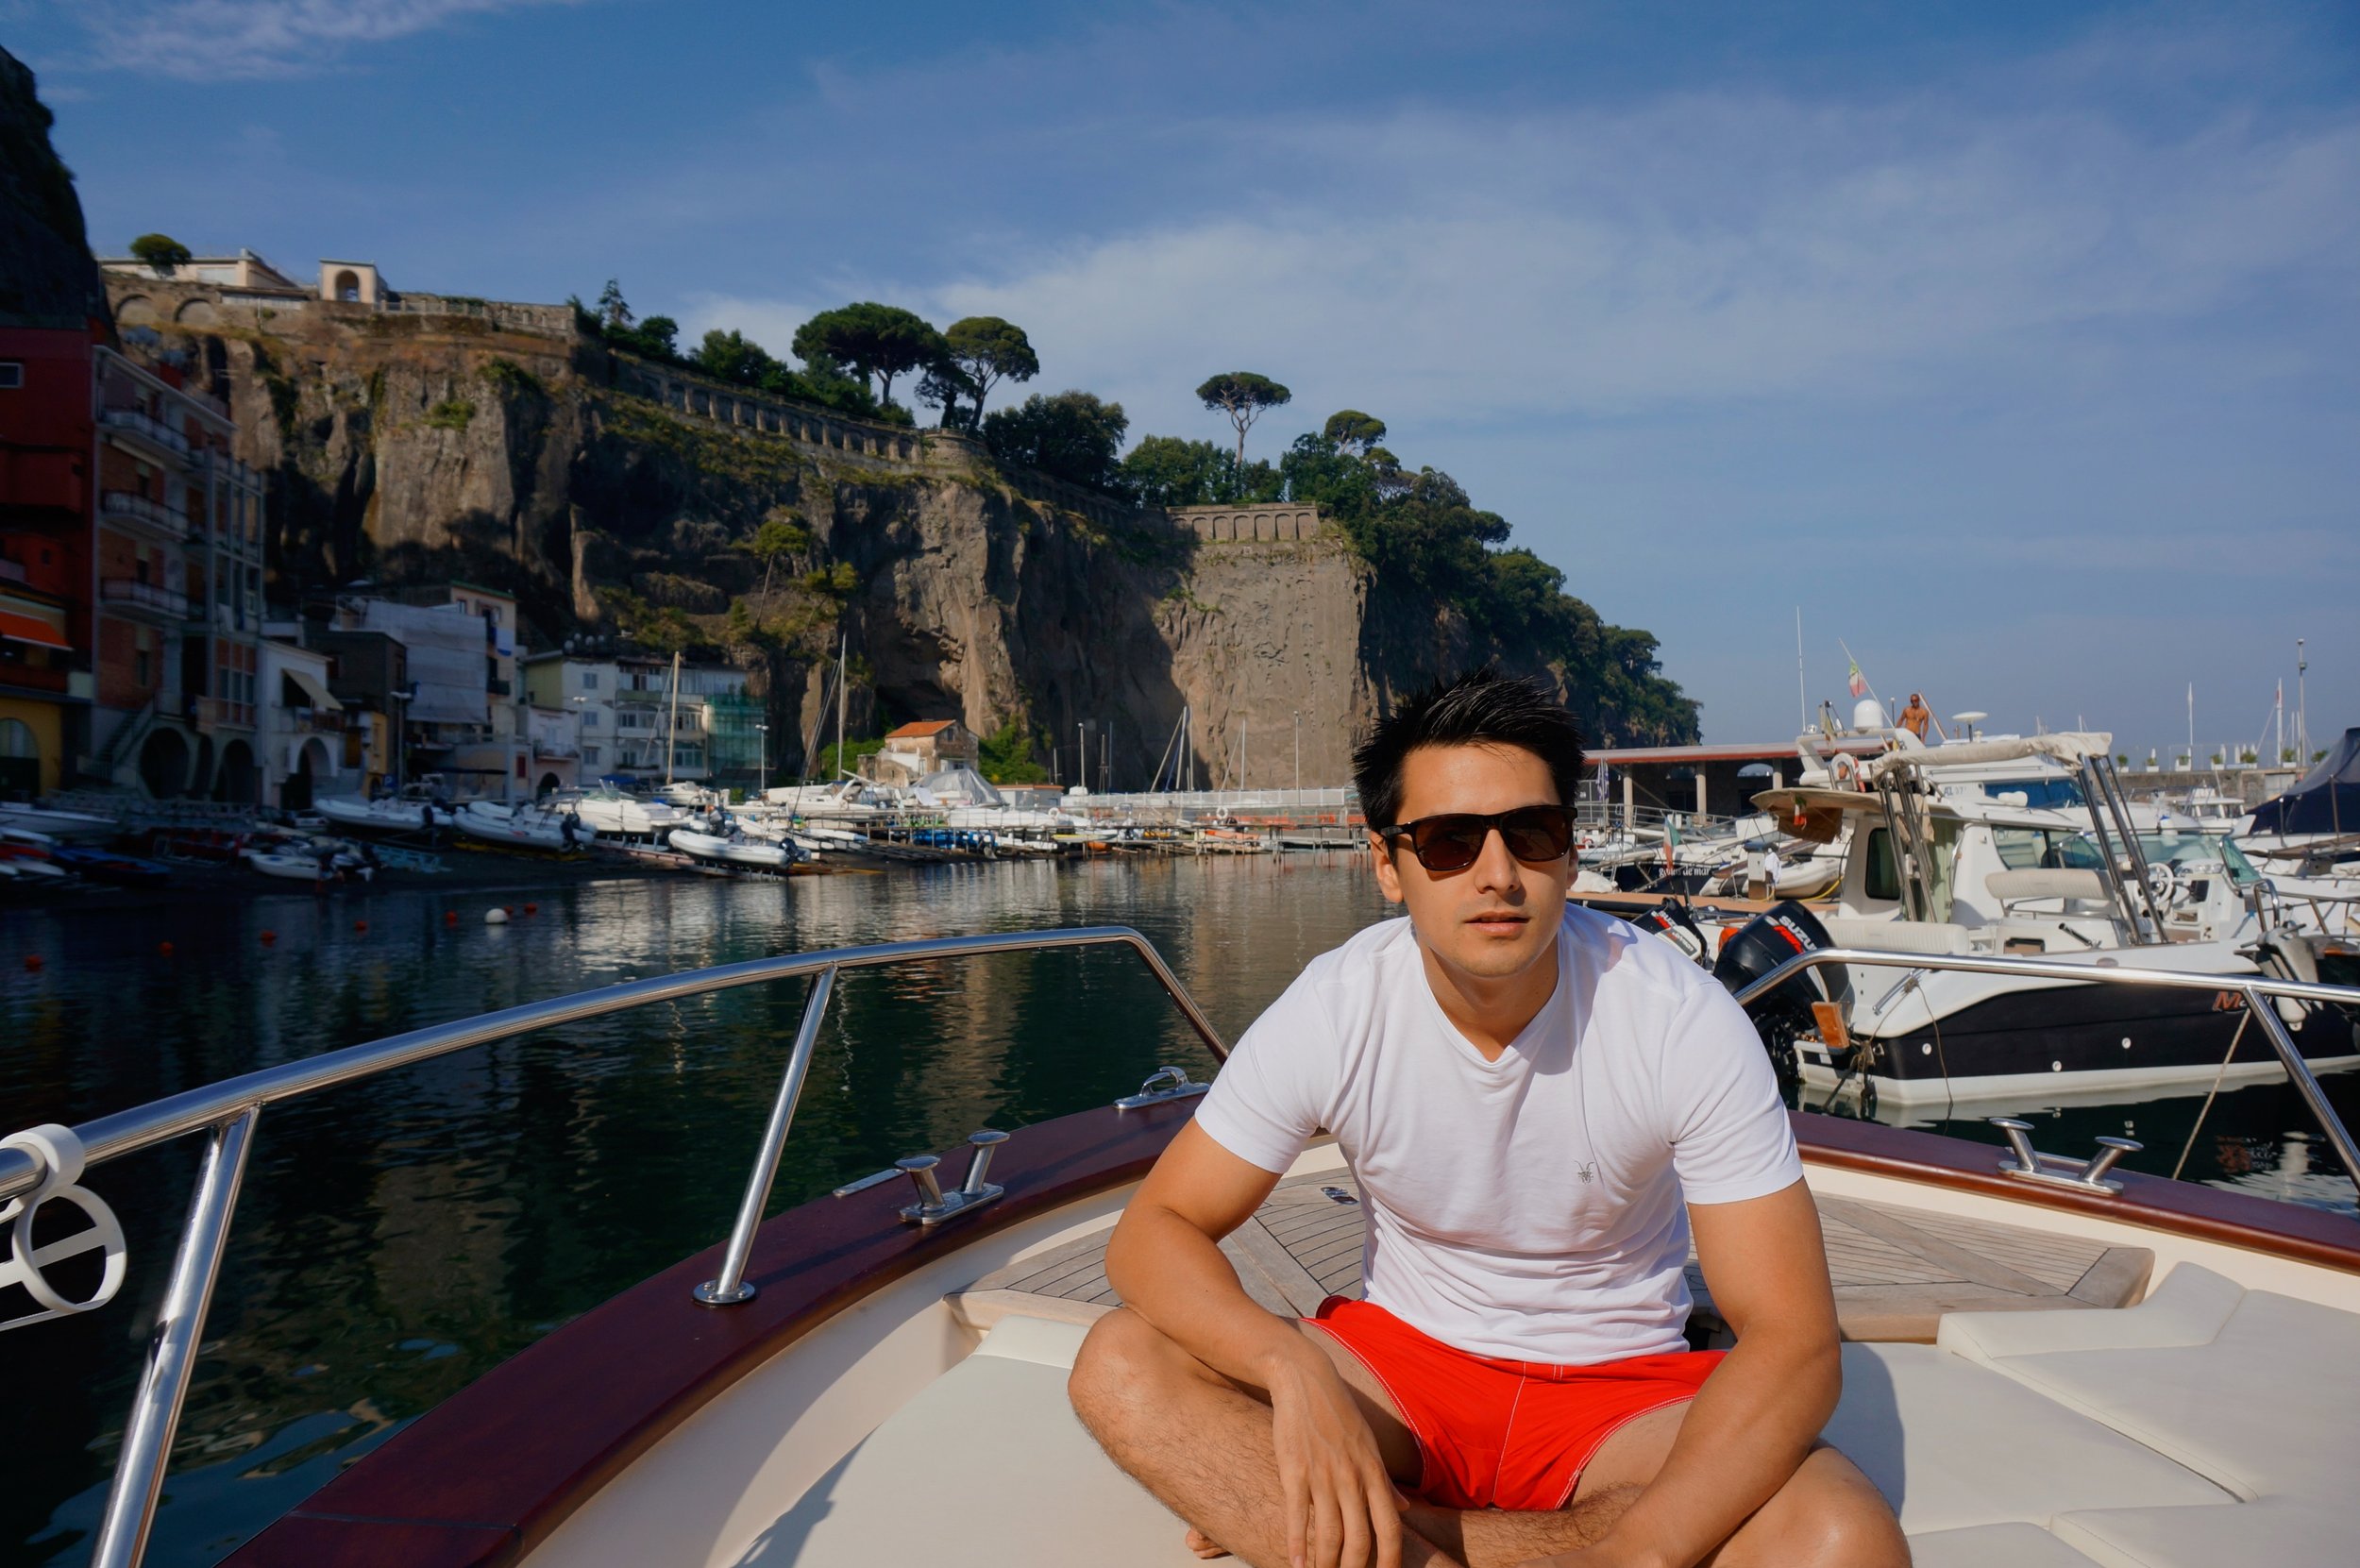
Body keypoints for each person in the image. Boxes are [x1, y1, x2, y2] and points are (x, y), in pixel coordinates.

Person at [1069, 669, 1904, 1568]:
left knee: (1841, 1539)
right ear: (1388, 865)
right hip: (1398, 1375)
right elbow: (1154, 1230)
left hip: (1619, 1398)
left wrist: (1637, 1553)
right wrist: (1290, 1366)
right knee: (1122, 1365)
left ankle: (1385, 1530)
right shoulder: (1341, 1005)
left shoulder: (1678, 1017)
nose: (1498, 874)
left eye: (1531, 834)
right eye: (1449, 841)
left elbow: (1794, 1338)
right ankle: (1429, 1526)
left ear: (1571, 855)